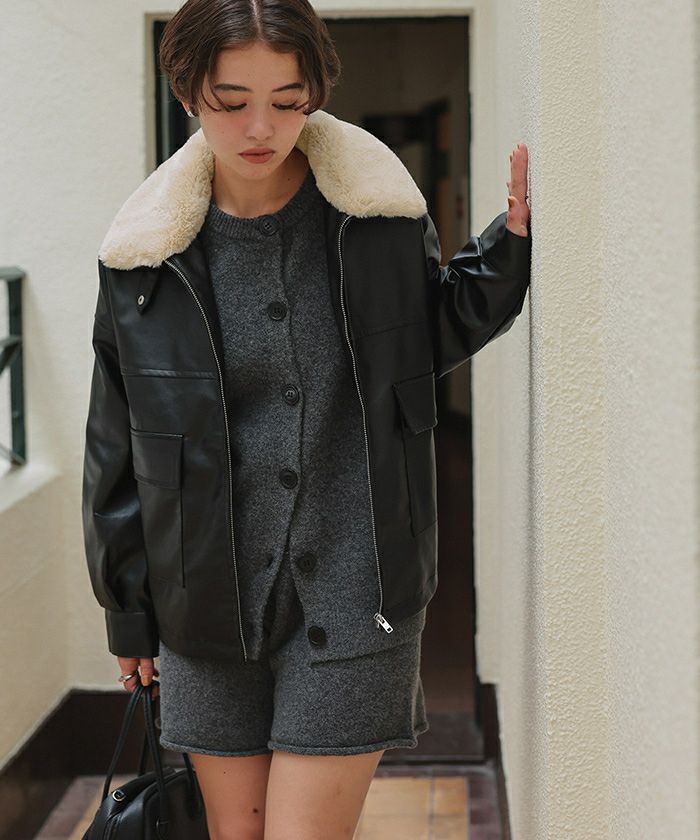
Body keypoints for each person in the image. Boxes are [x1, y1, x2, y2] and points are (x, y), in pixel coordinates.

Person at [81, 1, 532, 837]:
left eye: (288, 100)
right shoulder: (142, 257)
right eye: (232, 101)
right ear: (187, 92)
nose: (262, 127)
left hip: (360, 589)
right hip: (206, 603)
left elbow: (419, 340)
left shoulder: (375, 216)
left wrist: (507, 249)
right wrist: (127, 610)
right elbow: (115, 444)